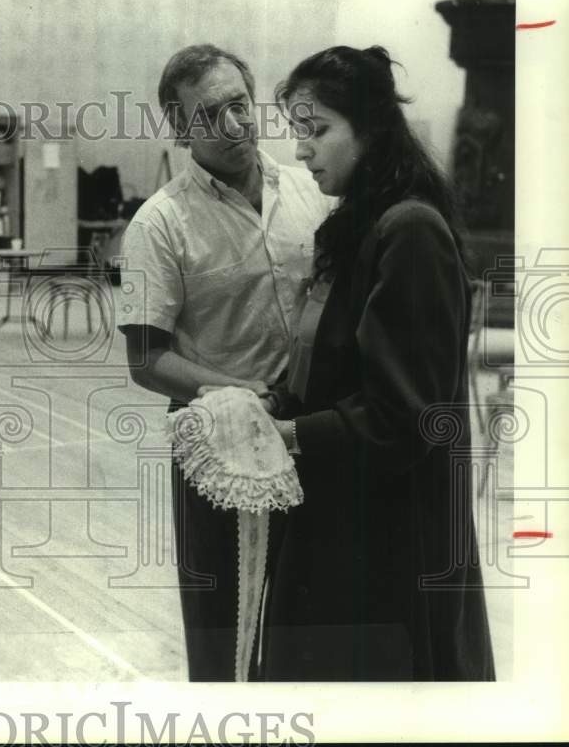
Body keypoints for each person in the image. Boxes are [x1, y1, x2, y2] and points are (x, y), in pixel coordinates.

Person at [260, 46, 495, 680]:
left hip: (389, 536)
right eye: (296, 133)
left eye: (317, 131)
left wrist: (284, 435)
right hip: (339, 513)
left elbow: (405, 417)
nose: (302, 150)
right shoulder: (355, 226)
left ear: (370, 127)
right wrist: (275, 400)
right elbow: (331, 367)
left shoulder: (409, 230)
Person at [117, 44, 335, 681]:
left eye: (240, 105)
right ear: (183, 130)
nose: (236, 124)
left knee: (305, 623)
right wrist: (241, 393)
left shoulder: (310, 190)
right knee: (219, 633)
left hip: (311, 435)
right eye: (212, 115)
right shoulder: (158, 225)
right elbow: (147, 359)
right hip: (218, 446)